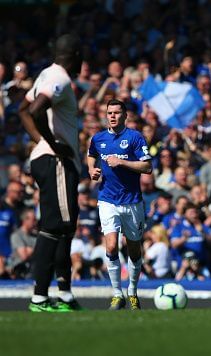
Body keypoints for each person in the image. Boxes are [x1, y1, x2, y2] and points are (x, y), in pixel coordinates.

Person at [18, 34, 84, 312]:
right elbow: (34, 109)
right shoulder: (60, 78)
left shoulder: (46, 73)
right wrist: (52, 143)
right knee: (54, 227)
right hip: (56, 162)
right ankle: (40, 297)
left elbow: (22, 109)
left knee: (65, 227)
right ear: (73, 57)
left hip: (52, 160)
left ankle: (65, 294)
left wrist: (39, 140)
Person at [87, 99, 152, 310]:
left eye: (116, 112)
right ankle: (117, 293)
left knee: (134, 248)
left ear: (125, 115)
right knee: (112, 245)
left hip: (132, 201)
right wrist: (91, 170)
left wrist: (122, 161)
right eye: (109, 113)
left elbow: (148, 167)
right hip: (107, 200)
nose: (112, 116)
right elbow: (91, 155)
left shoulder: (134, 137)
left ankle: (132, 290)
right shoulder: (98, 138)